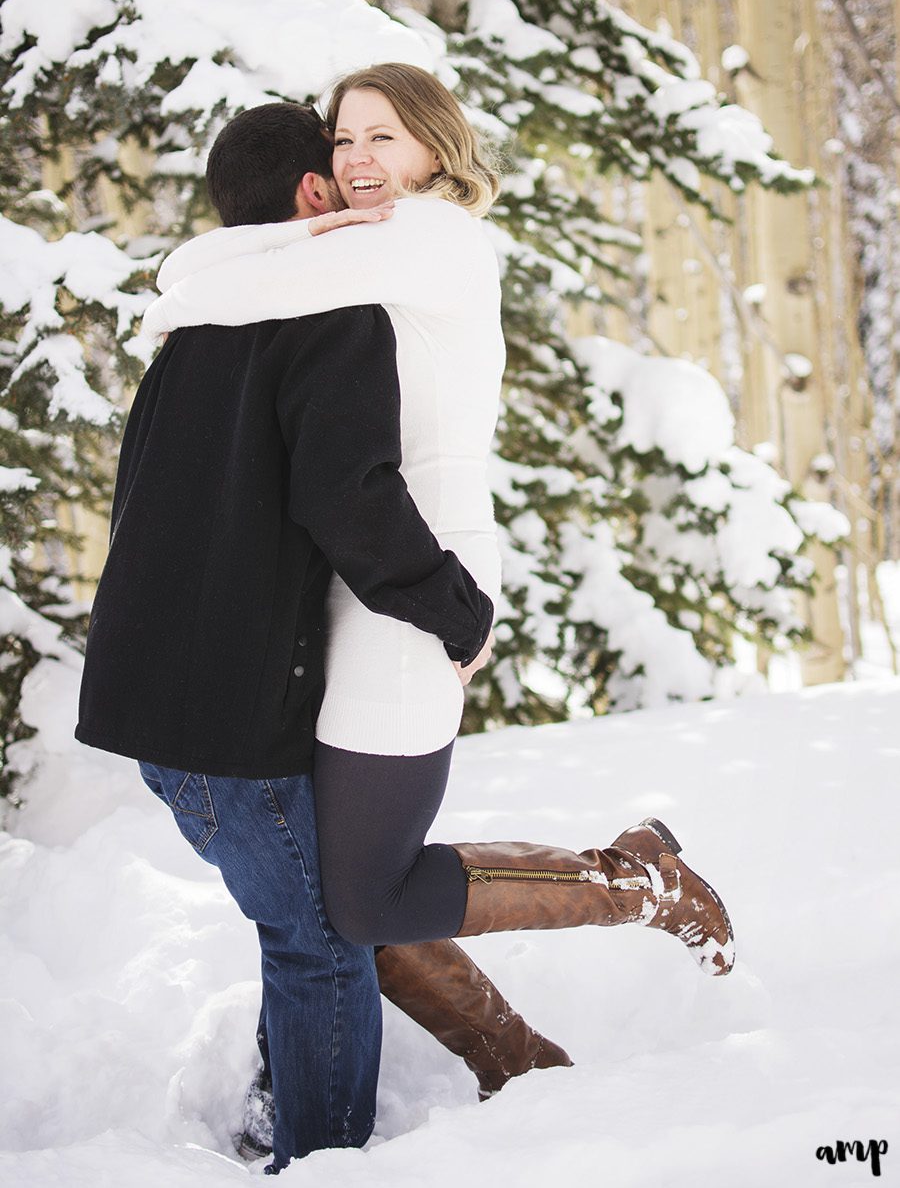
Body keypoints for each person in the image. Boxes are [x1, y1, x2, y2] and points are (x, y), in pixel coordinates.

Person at [147, 64, 735, 1004]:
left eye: (383, 135)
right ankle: (509, 1054)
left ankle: (639, 885)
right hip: (359, 568)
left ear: (433, 146)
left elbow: (190, 285)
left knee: (365, 894)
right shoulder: (368, 243)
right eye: (343, 139)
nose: (359, 157)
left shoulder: (435, 233)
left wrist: (227, 259)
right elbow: (202, 281)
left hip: (417, 563)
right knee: (342, 879)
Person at [75, 100, 569, 1175]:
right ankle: (320, 1159)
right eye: (339, 161)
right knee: (324, 941)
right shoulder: (330, 318)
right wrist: (455, 608)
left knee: (300, 922)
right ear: (311, 196)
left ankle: (278, 1103)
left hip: (151, 705)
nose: (355, 179)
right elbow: (348, 498)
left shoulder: (198, 325)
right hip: (225, 721)